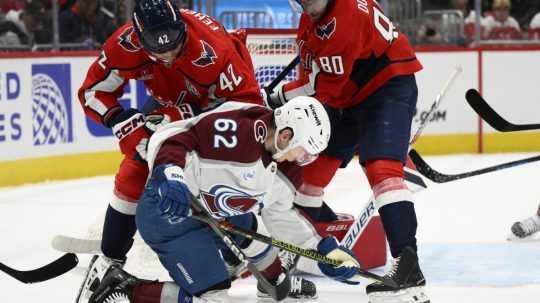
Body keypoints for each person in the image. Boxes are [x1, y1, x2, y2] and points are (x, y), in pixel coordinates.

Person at [75, 0, 275, 302]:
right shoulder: (124, 45)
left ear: (182, 27)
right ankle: (108, 261)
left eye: (175, 45)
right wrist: (118, 118)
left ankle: (241, 250)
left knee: (222, 179)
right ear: (139, 38)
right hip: (170, 103)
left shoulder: (214, 49)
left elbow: (248, 109)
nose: (167, 54)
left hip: (217, 110)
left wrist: (185, 114)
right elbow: (92, 92)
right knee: (136, 167)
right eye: (157, 46)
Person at [87, 97, 361, 303]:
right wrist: (170, 173)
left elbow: (281, 217)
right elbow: (173, 136)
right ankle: (126, 286)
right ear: (286, 136)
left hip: (219, 211)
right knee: (215, 298)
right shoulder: (239, 132)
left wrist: (321, 251)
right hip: (171, 213)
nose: (303, 160)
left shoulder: (285, 167)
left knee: (267, 257)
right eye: (304, 152)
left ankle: (272, 278)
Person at [267, 0, 428, 302]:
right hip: (348, 94)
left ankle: (409, 270)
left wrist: (275, 98)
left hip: (386, 86)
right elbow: (314, 79)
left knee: (381, 168)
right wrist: (278, 95)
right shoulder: (310, 20)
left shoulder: (345, 19)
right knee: (305, 179)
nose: (309, 6)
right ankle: (298, 248)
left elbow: (323, 92)